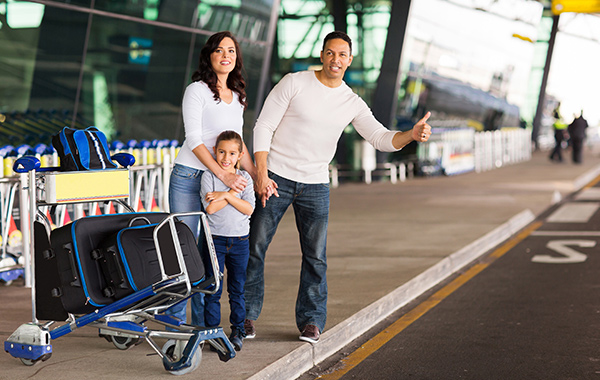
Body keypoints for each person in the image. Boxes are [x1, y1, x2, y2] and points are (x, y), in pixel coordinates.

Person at [244, 31, 432, 344]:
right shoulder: (294, 82)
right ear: (322, 55)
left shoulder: (351, 102)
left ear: (350, 59)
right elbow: (263, 126)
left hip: (316, 183)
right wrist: (261, 175)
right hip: (277, 177)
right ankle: (245, 316)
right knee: (255, 248)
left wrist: (411, 134)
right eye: (331, 53)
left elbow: (381, 138)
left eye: (342, 55)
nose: (336, 60)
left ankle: (311, 321)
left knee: (316, 256)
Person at [166, 31, 256, 327]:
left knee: (209, 254)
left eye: (231, 50)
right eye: (219, 50)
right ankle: (176, 323)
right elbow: (194, 138)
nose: (226, 55)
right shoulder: (197, 90)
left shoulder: (238, 96)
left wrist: (257, 178)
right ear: (210, 56)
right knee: (184, 249)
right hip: (190, 176)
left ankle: (206, 324)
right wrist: (224, 175)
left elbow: (238, 145)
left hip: (220, 181)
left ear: (236, 58)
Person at [201, 130, 255, 351]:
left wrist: (225, 195)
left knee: (237, 289)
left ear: (240, 155)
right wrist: (233, 192)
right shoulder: (209, 176)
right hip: (215, 240)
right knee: (213, 288)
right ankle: (213, 332)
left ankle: (238, 331)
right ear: (214, 151)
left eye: (232, 153)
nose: (226, 158)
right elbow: (211, 209)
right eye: (222, 152)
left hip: (240, 241)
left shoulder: (247, 178)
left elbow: (249, 209)